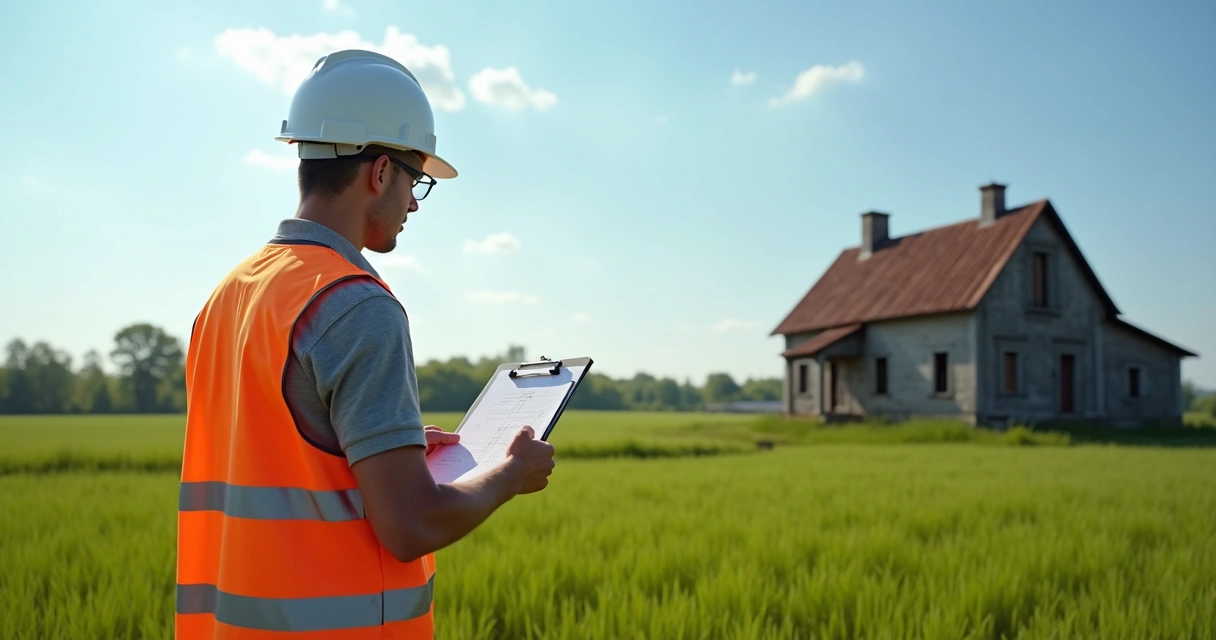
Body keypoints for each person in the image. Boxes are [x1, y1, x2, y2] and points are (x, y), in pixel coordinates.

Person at [174, 49, 555, 639]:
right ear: (381, 171)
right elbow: (410, 526)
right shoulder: (357, 304)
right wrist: (510, 472)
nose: (411, 204)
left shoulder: (227, 297)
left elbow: (276, 452)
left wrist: (377, 449)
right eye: (416, 182)